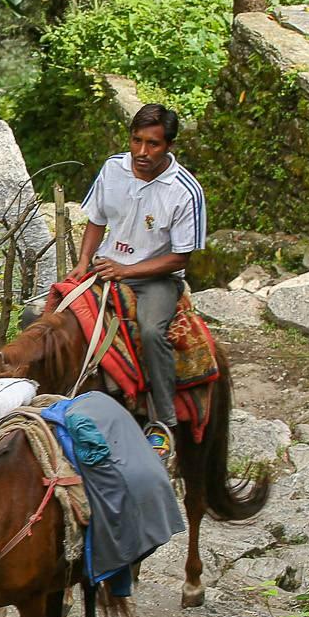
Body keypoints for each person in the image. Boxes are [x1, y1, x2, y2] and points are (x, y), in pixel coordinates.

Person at [72, 103, 206, 458]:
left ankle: (163, 421)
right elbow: (96, 220)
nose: (142, 152)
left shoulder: (184, 191)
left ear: (169, 146)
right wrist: (83, 261)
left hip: (155, 276)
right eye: (136, 140)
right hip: (105, 265)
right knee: (48, 311)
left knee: (150, 331)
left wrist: (126, 272)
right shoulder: (113, 169)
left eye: (153, 144)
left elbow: (180, 257)